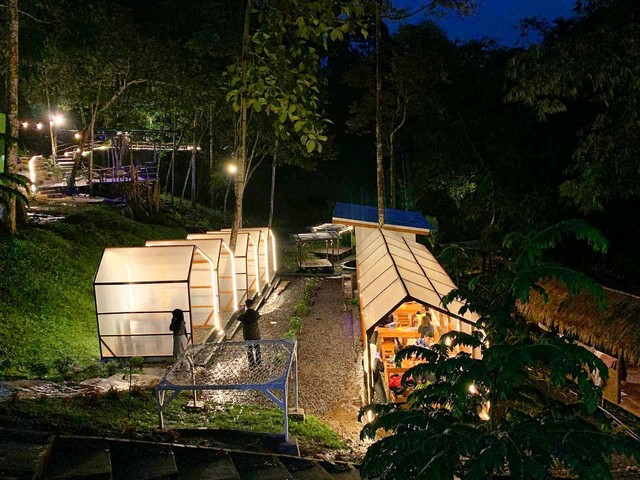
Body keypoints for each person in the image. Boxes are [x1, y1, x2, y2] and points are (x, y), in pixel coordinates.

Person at [237, 298, 261, 367]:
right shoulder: (255, 313)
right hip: (256, 333)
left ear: (246, 305)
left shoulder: (244, 315)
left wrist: (240, 310)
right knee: (257, 348)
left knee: (249, 348)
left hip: (247, 334)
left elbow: (238, 317)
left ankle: (252, 363)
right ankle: (258, 361)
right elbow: (258, 316)